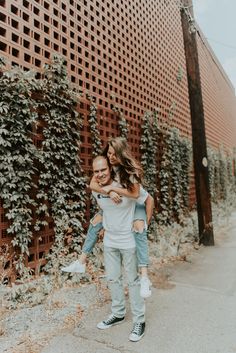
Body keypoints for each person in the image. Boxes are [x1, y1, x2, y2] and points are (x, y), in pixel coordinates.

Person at [62, 137, 154, 298]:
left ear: (122, 153)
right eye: (109, 153)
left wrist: (147, 222)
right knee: (95, 221)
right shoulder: (107, 168)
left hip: (138, 203)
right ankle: (81, 261)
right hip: (118, 204)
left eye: (114, 154)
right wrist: (110, 191)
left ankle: (145, 276)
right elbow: (93, 184)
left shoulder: (130, 172)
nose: (111, 157)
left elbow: (138, 195)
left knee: (140, 228)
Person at [92, 155, 146, 341]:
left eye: (103, 170)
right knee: (113, 279)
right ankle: (118, 313)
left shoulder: (124, 184)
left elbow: (146, 198)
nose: (99, 174)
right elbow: (98, 194)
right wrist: (107, 192)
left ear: (110, 168)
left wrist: (144, 223)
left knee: (132, 281)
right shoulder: (97, 189)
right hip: (110, 242)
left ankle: (139, 320)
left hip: (128, 241)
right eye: (96, 171)